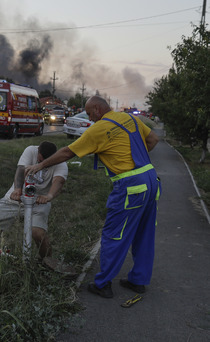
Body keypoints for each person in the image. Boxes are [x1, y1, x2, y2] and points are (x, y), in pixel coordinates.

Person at [25, 95, 161, 299]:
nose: (90, 118)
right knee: (144, 233)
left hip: (130, 187)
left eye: (90, 113)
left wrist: (40, 165)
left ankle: (103, 284)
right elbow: (153, 139)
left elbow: (67, 152)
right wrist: (135, 161)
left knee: (114, 235)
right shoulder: (130, 119)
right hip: (151, 179)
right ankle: (138, 281)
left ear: (98, 109)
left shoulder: (99, 129)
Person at [0, 141, 68, 262]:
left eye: (46, 161)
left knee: (38, 233)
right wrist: (17, 189)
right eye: (40, 160)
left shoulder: (61, 163)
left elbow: (59, 181)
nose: (41, 163)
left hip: (40, 202)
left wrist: (49, 196)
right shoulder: (31, 150)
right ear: (38, 150)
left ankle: (47, 262)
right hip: (16, 198)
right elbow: (20, 170)